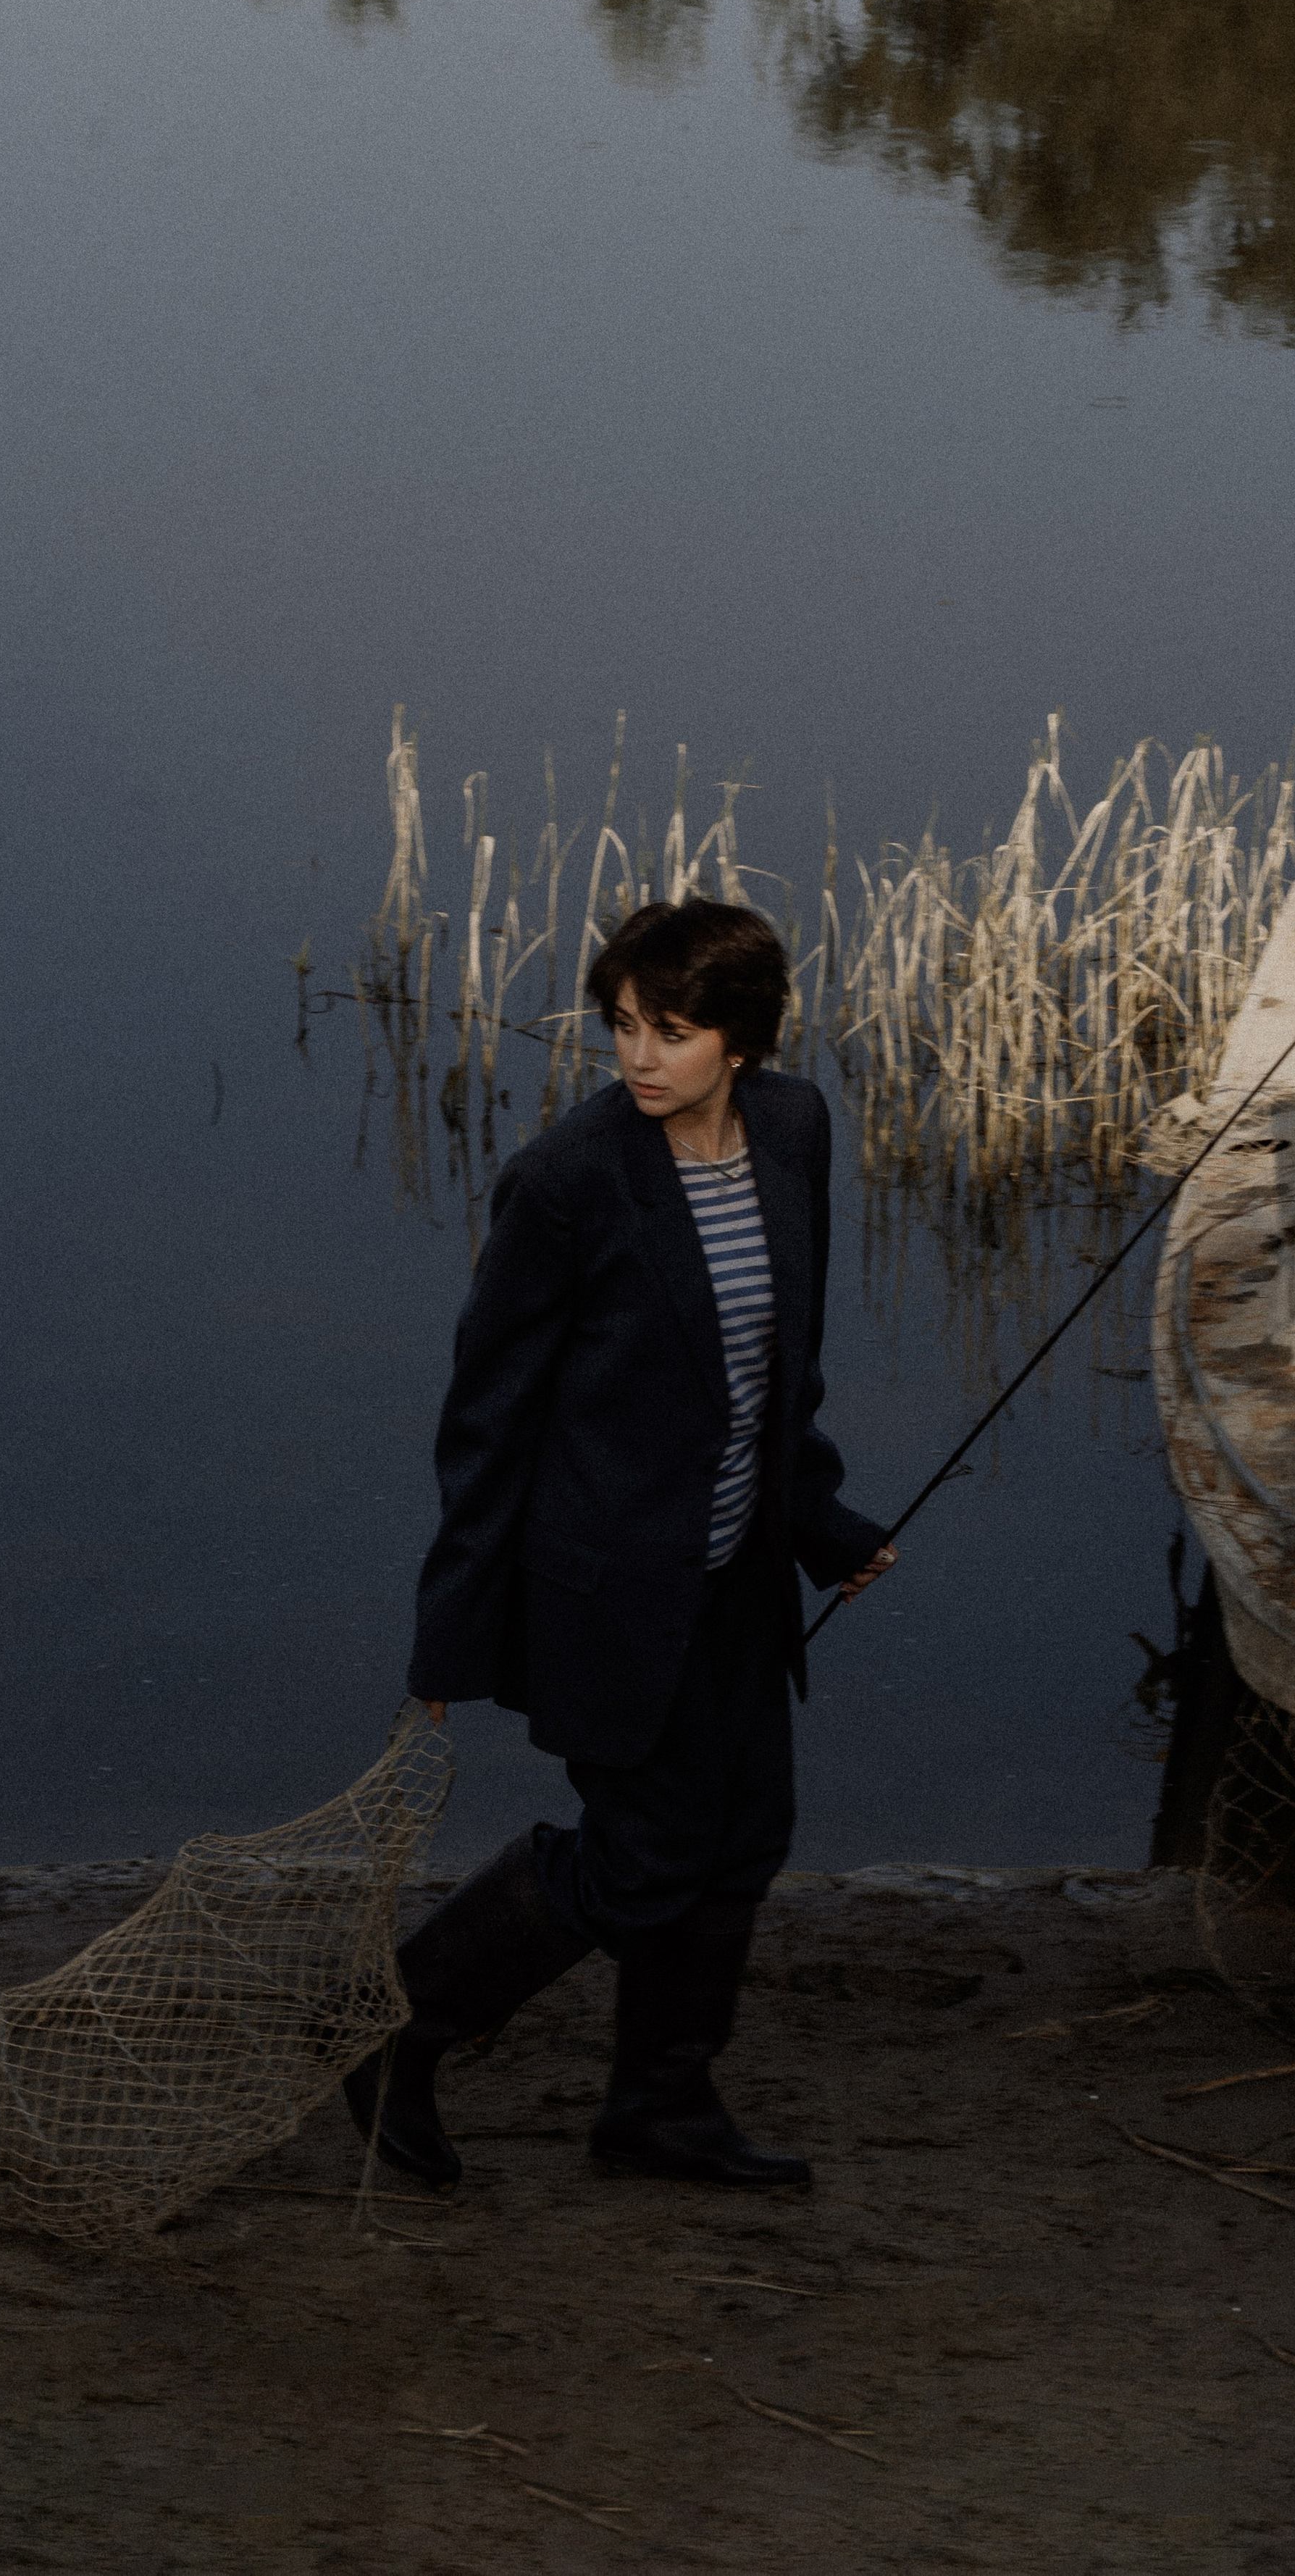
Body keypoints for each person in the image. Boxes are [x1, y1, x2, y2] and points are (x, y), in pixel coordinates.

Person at [345, 898, 895, 2194]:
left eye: (671, 1030)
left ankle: (661, 2108)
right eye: (622, 1027)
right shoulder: (568, 1180)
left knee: (743, 1837)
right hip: (606, 1590)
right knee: (644, 1854)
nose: (636, 1056)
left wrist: (819, 1525)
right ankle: (389, 2034)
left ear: (744, 1040)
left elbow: (777, 1375)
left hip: (737, 1578)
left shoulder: (797, 1129)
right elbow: (489, 1421)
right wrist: (455, 1626)